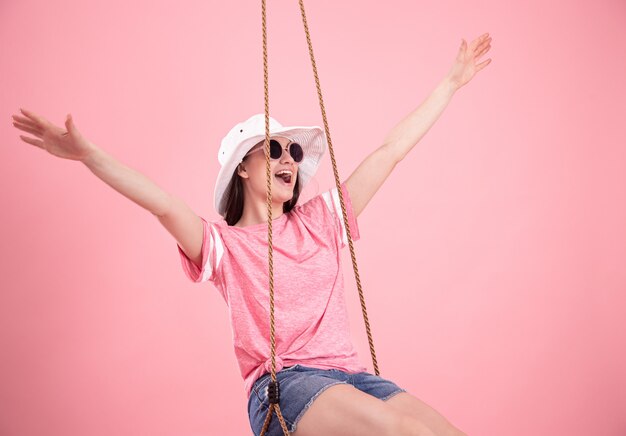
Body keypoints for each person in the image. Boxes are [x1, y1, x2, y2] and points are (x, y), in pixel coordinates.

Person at [12, 33, 491, 436]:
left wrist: (450, 84)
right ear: (243, 167)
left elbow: (390, 152)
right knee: (400, 433)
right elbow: (160, 202)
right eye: (275, 149)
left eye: (295, 152)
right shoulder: (223, 247)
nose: (289, 159)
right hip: (286, 388)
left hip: (354, 379)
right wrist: (88, 154)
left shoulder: (322, 220)